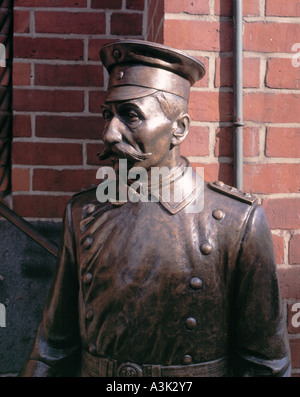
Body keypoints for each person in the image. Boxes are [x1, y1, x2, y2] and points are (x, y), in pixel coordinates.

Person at [19, 40, 290, 377]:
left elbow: (265, 364)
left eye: (130, 116)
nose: (109, 133)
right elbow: (52, 348)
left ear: (179, 129)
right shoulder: (83, 213)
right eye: (108, 115)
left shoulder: (235, 221)